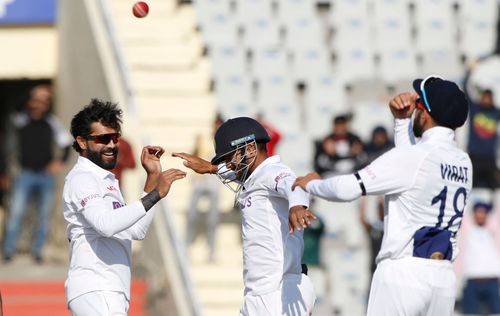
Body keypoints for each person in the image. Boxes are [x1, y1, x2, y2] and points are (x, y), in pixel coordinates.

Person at [293, 76, 472, 315]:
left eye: (418, 103)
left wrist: (313, 184)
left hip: (402, 275)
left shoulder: (414, 158)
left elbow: (348, 189)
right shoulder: (463, 161)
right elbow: (410, 170)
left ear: (425, 113)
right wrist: (401, 123)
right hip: (443, 281)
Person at [172, 117, 317, 316]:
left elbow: (294, 185)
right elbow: (232, 170)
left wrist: (297, 206)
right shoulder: (252, 176)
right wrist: (211, 168)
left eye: (229, 157)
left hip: (279, 293)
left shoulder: (272, 171)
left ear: (249, 149)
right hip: (257, 294)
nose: (228, 165)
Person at [63, 99, 186, 315]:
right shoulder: (82, 178)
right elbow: (105, 225)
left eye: (114, 137)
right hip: (96, 288)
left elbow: (135, 230)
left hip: (111, 290)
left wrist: (153, 177)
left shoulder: (106, 180)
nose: (111, 145)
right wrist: (157, 193)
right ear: (82, 142)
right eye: (102, 139)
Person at [3, 84, 72, 263]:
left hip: (45, 176)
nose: (40, 104)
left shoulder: (51, 122)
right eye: (37, 100)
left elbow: (66, 143)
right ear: (31, 102)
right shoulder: (21, 119)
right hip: (25, 174)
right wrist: (32, 92)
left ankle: (38, 251)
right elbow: (15, 105)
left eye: (44, 100)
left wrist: (59, 162)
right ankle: (9, 250)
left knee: (44, 214)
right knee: (17, 212)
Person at [185, 114, 224, 262]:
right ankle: (187, 247)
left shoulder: (224, 143)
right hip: (200, 182)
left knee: (213, 219)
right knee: (192, 216)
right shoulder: (204, 139)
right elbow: (194, 155)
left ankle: (212, 251)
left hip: (214, 184)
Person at [458, 202, 500, 315]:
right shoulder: (467, 231)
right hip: (472, 281)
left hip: (492, 281)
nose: (481, 215)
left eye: (483, 212)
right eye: (478, 212)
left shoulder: (494, 232)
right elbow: (462, 213)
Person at [463, 61, 500, 190]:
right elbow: (466, 90)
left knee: (495, 188)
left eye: (489, 98)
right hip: (474, 155)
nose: (486, 100)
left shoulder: (496, 112)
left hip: (489, 157)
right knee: (469, 187)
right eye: (484, 97)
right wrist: (469, 71)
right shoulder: (475, 109)